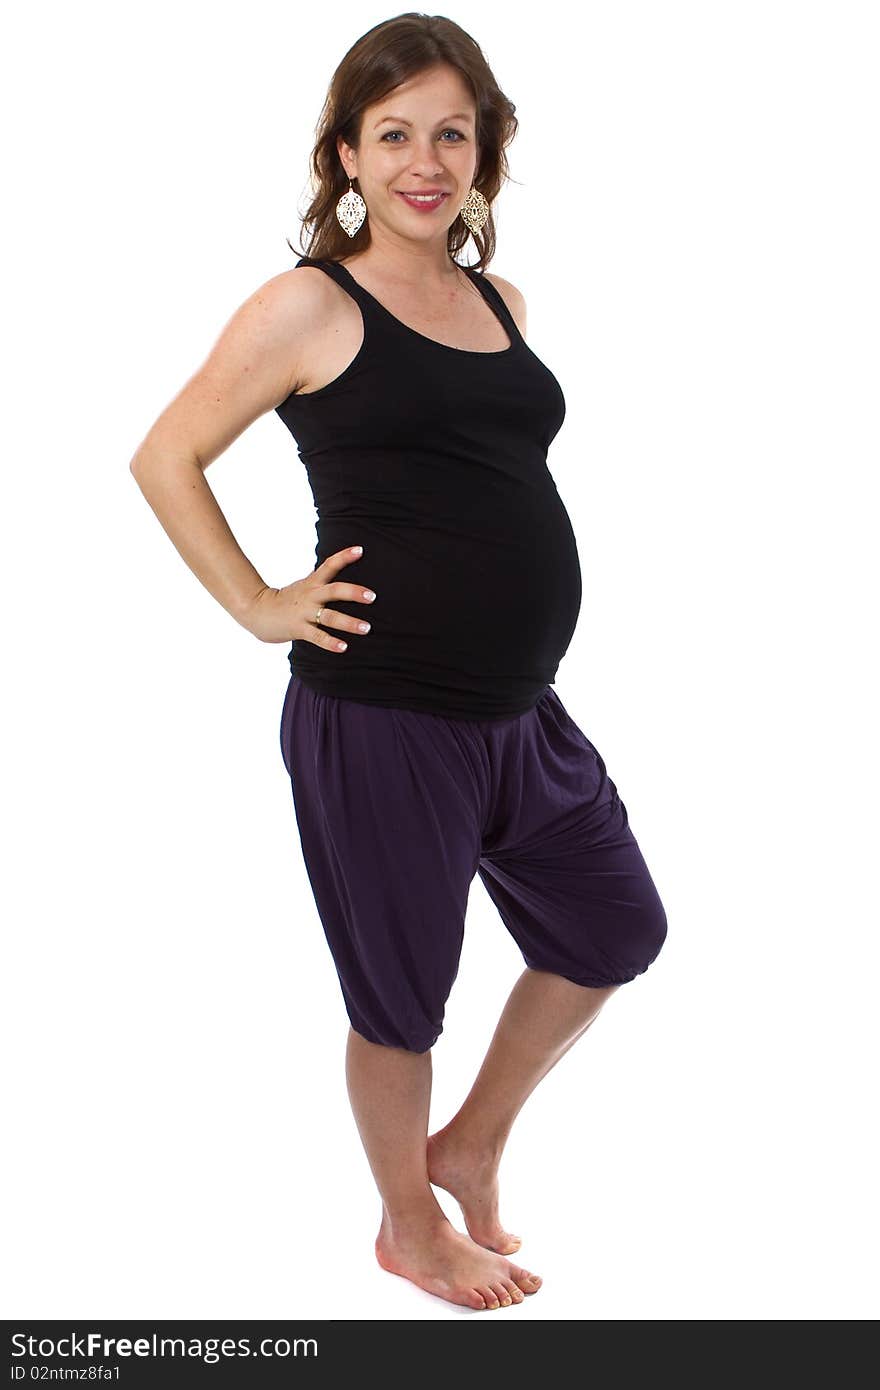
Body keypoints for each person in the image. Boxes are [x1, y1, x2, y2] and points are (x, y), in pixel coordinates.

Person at [129, 14, 668, 1313]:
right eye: (395, 135)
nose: (425, 160)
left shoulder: (500, 300)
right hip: (383, 717)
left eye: (452, 133)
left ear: (485, 153)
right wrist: (260, 600)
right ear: (347, 157)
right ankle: (407, 1229)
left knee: (614, 927)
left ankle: (469, 1143)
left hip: (519, 713)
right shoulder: (311, 302)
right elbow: (164, 454)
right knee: (401, 1003)